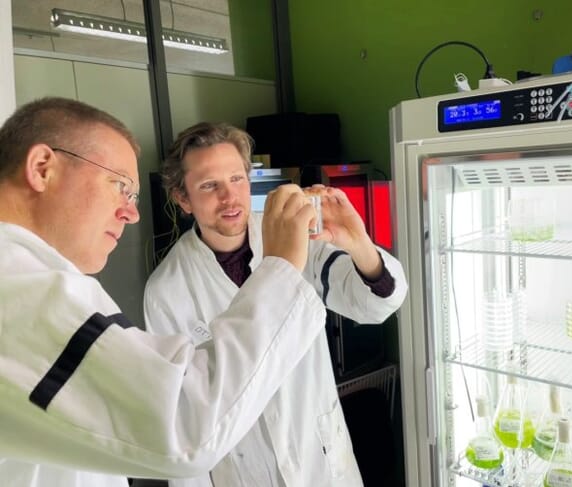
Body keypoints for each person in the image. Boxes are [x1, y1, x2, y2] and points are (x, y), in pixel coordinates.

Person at [0, 97, 332, 487]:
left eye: (237, 178)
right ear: (43, 168)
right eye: (120, 185)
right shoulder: (22, 290)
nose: (131, 213)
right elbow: (181, 422)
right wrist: (282, 268)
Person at [143, 121, 408, 487]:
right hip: (242, 469)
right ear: (182, 198)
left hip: (320, 460)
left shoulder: (290, 235)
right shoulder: (167, 290)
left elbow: (376, 305)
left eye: (237, 178)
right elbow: (183, 422)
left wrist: (358, 241)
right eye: (209, 185)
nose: (229, 197)